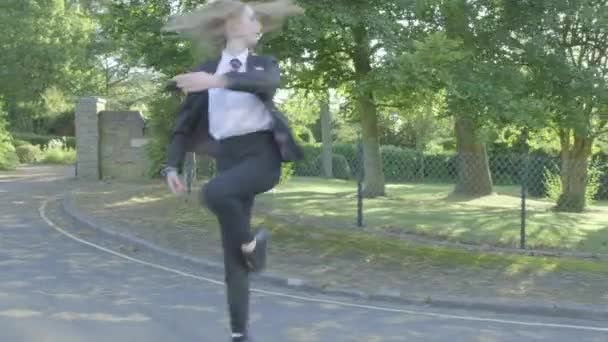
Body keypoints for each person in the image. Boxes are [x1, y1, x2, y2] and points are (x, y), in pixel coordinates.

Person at [160, 1, 303, 341]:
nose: (258, 26)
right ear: (229, 24)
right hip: (229, 160)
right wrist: (170, 166)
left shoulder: (262, 65)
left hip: (261, 157)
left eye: (258, 21)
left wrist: (216, 81)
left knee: (213, 192)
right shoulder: (205, 71)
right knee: (233, 260)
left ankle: (255, 245)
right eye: (252, 18)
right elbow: (183, 126)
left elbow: (265, 84)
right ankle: (240, 333)